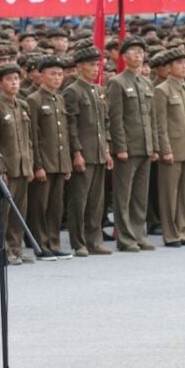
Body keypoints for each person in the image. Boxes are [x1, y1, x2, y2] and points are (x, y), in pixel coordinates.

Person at [107, 36, 158, 252]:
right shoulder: (117, 82)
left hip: (145, 146)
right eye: (133, 51)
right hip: (128, 147)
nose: (138, 55)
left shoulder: (147, 83)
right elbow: (115, 118)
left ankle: (139, 234)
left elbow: (152, 118)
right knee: (124, 195)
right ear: (124, 56)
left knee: (140, 195)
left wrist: (154, 146)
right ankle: (125, 237)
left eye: (141, 51)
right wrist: (120, 147)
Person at [63, 46, 113, 255]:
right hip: (84, 152)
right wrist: (76, 152)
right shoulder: (73, 91)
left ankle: (94, 239)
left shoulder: (97, 90)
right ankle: (78, 242)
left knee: (96, 201)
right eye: (92, 65)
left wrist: (107, 149)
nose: (96, 68)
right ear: (79, 67)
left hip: (99, 152)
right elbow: (71, 125)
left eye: (98, 64)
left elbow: (105, 123)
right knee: (79, 201)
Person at [153, 48, 185, 247]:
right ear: (169, 67)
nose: (184, 66)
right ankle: (171, 233)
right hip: (173, 148)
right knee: (169, 193)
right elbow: (161, 124)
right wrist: (165, 150)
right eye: (179, 63)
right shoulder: (162, 90)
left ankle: (184, 230)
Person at [27, 55, 73, 260]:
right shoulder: (34, 100)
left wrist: (67, 162)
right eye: (52, 74)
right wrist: (37, 165)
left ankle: (54, 242)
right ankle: (41, 244)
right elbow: (33, 135)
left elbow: (64, 132)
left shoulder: (59, 98)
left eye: (60, 74)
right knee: (40, 206)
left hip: (60, 160)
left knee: (56, 206)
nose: (57, 78)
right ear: (41, 75)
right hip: (44, 162)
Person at [0, 63, 35, 264]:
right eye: (9, 79)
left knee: (19, 211)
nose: (14, 83)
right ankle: (3, 249)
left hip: (23, 166)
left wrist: (31, 164)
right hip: (7, 167)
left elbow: (29, 139)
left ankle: (16, 249)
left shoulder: (22, 105)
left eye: (16, 78)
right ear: (0, 84)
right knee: (5, 213)